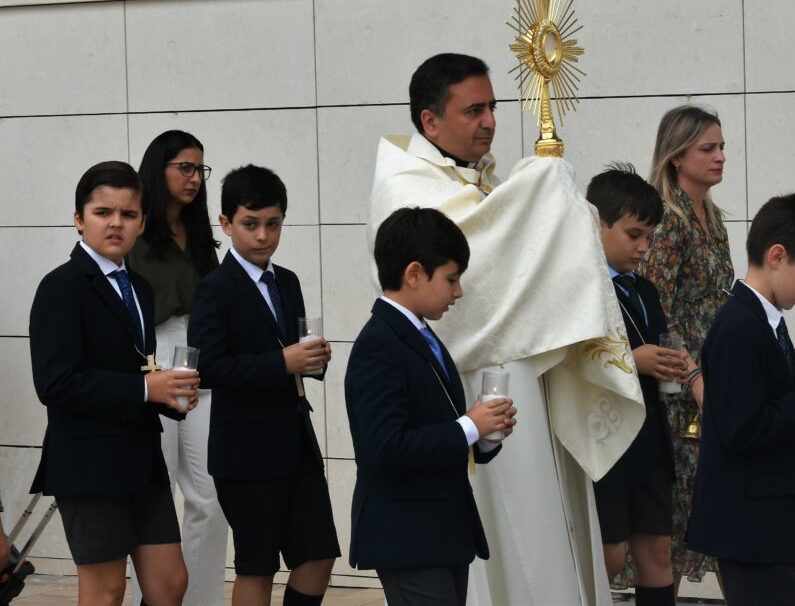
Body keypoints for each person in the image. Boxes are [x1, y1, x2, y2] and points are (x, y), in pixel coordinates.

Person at [368, 53, 645, 606]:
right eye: (474, 110)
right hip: (463, 386)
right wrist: (539, 192)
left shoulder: (479, 181)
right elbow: (476, 257)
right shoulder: (402, 183)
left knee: (543, 521)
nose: (490, 121)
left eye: (493, 107)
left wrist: (537, 199)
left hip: (520, 374)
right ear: (430, 122)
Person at [29, 161, 198, 606]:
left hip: (139, 457)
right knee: (105, 591)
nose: (116, 223)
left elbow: (135, 368)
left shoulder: (138, 286)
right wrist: (146, 390)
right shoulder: (60, 287)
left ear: (142, 221)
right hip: (88, 462)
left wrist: (167, 394)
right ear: (79, 219)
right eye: (103, 212)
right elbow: (55, 383)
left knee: (169, 584)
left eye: (128, 214)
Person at [687, 194, 795, 606]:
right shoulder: (739, 326)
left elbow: (768, 418)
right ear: (777, 255)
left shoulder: (764, 320)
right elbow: (741, 428)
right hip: (750, 526)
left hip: (768, 524)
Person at [346, 206, 516, 606]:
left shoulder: (422, 333)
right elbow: (386, 447)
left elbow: (436, 425)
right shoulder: (378, 344)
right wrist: (468, 427)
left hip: (440, 528)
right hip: (407, 534)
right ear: (414, 274)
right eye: (452, 279)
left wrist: (485, 435)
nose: (458, 291)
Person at [188, 165, 340, 606]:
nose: (262, 236)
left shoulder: (286, 281)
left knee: (318, 555)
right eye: (250, 224)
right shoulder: (213, 289)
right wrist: (282, 361)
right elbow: (210, 368)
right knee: (257, 566)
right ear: (226, 223)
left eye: (272, 224)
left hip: (296, 442)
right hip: (244, 450)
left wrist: (312, 360)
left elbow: (292, 350)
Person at [634, 103, 732, 591]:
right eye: (707, 148)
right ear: (677, 156)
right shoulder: (668, 222)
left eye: (721, 147)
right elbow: (659, 313)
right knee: (671, 530)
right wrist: (691, 375)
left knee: (697, 518)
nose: (719, 157)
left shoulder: (712, 219)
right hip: (676, 393)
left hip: (708, 380)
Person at [127, 130, 228, 606]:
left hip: (202, 362)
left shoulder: (201, 231)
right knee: (158, 491)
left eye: (199, 170)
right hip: (153, 359)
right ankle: (157, 597)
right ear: (159, 168)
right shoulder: (136, 229)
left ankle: (201, 600)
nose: (194, 178)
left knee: (211, 496)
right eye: (184, 168)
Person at [586, 165, 681, 606]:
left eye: (649, 236)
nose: (644, 247)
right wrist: (632, 361)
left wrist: (670, 365)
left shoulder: (645, 290)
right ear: (597, 224)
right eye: (633, 235)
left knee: (657, 550)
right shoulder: (581, 288)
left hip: (648, 436)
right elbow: (571, 359)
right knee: (607, 554)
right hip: (603, 437)